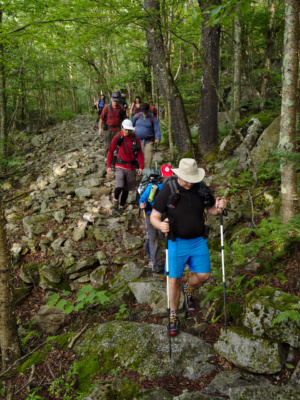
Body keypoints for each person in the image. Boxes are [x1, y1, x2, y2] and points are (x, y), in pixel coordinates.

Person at [150, 158, 227, 336]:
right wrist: (160, 225)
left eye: (191, 179)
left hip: (198, 241)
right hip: (176, 242)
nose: (188, 183)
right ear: (179, 175)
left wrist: (220, 206)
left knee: (203, 276)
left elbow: (212, 210)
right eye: (185, 179)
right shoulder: (167, 190)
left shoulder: (201, 188)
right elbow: (155, 216)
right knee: (174, 280)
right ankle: (173, 315)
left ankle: (189, 290)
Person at [139, 165, 173, 273]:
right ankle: (157, 264)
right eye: (165, 177)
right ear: (161, 176)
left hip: (163, 214)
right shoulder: (153, 186)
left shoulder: (174, 187)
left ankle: (147, 249)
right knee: (152, 238)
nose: (167, 179)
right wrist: (142, 204)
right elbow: (143, 198)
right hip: (149, 214)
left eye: (169, 177)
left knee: (163, 236)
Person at [107, 119, 144, 216]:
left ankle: (122, 206)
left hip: (131, 167)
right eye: (125, 129)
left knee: (126, 189)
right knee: (119, 185)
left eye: (129, 130)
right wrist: (109, 166)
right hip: (119, 165)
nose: (127, 131)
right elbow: (111, 151)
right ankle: (115, 203)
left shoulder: (136, 139)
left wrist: (141, 167)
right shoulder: (117, 138)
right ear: (122, 128)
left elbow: (140, 153)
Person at [132, 102, 161, 169]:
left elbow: (157, 129)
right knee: (137, 157)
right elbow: (131, 125)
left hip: (149, 141)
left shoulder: (153, 118)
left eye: (145, 111)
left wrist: (157, 138)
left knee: (147, 158)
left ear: (149, 110)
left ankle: (146, 174)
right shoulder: (137, 116)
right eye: (143, 111)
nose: (144, 112)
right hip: (137, 141)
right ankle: (138, 171)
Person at [99, 93, 126, 157]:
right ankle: (107, 159)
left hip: (118, 129)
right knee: (108, 145)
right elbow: (101, 118)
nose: (115, 102)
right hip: (108, 130)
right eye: (114, 101)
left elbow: (124, 119)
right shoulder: (106, 108)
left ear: (118, 100)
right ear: (111, 99)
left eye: (116, 101)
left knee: (120, 145)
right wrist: (100, 129)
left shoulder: (121, 108)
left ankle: (119, 158)